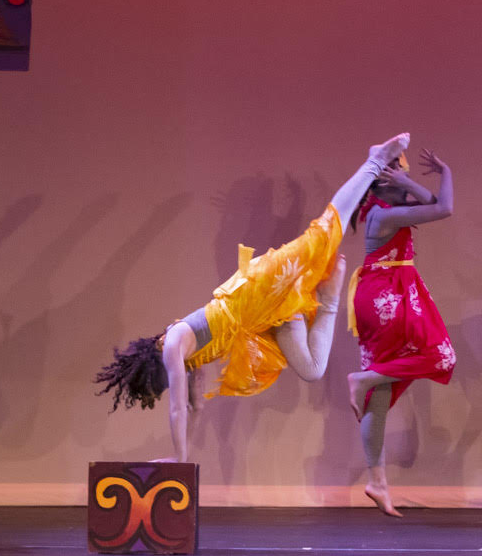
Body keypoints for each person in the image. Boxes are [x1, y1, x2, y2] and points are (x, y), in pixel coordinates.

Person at [94, 134, 409, 462]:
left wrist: (177, 458)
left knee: (323, 233)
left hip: (255, 291)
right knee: (312, 369)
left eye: (156, 385)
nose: (164, 387)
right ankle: (329, 298)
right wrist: (181, 461)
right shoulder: (187, 361)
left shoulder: (173, 344)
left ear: (151, 363)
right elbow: (193, 407)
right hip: (260, 319)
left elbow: (177, 410)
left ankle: (375, 160)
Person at [344, 149, 456, 516]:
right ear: (383, 183)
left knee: (379, 398)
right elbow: (444, 208)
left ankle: (377, 482)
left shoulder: (387, 210)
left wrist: (435, 174)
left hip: (386, 292)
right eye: (399, 177)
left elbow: (435, 202)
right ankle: (363, 379)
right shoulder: (383, 215)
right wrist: (433, 176)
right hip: (386, 295)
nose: (408, 186)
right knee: (441, 357)